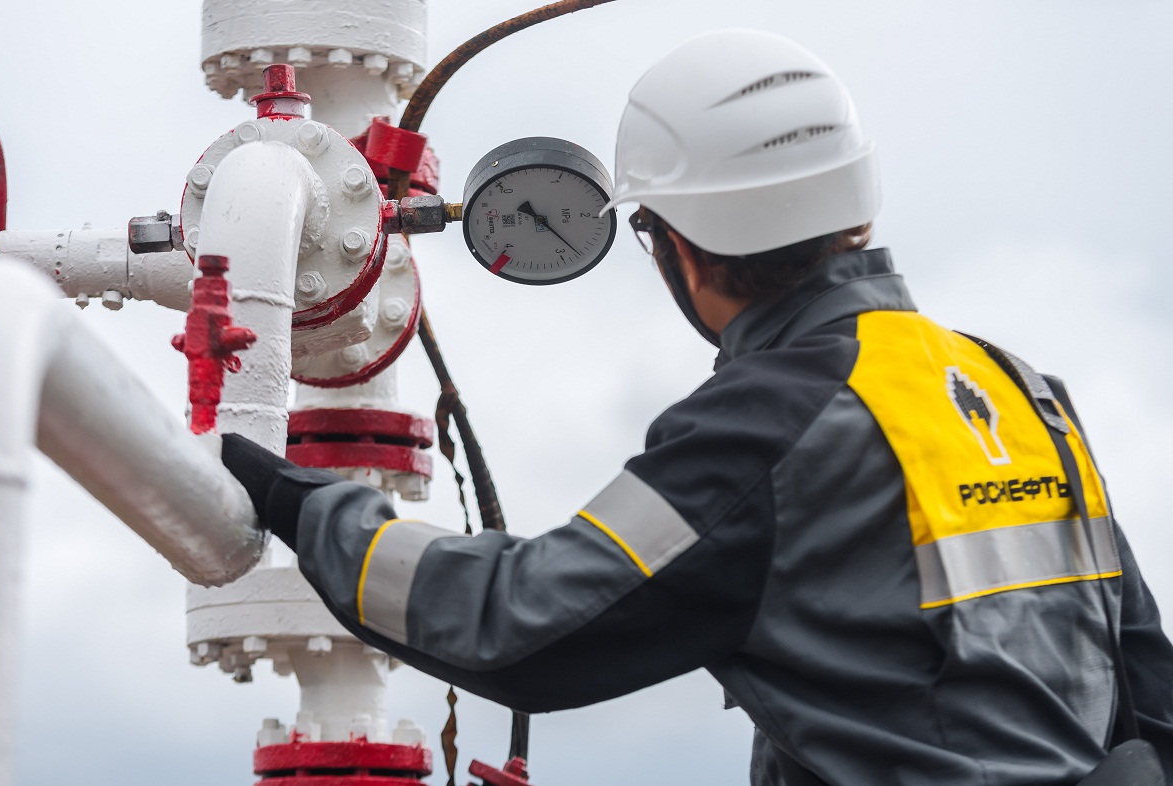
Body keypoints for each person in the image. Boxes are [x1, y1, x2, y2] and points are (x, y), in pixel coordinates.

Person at [221, 29, 1173, 785]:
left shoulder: (765, 427)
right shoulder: (1020, 390)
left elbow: (520, 622)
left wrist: (302, 503)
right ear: (857, 206)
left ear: (675, 244)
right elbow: (1147, 684)